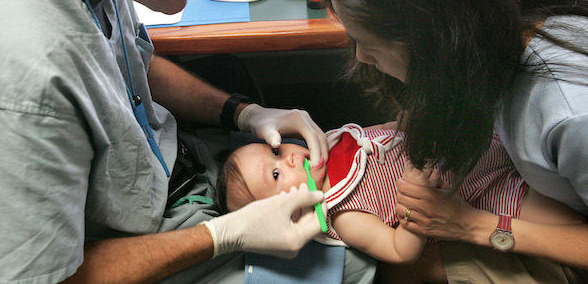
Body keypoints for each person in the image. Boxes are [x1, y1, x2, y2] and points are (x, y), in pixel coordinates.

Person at [0, 0, 332, 282]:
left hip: (179, 173)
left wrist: (241, 111)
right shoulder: (17, 75)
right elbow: (47, 276)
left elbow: (133, 62)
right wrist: (223, 235)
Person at [300, 0, 588, 281]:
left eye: (369, 45)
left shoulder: (569, 112)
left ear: (435, 42)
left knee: (390, 271)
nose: (364, 59)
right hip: (532, 195)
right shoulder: (499, 10)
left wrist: (471, 225)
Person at [215, 123, 583, 270]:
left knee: (545, 155)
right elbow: (400, 251)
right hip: (488, 197)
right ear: (286, 213)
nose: (291, 156)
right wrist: (415, 205)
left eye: (275, 151)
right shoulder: (343, 211)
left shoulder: (330, 143)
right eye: (277, 173)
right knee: (571, 219)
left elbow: (384, 133)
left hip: (474, 148)